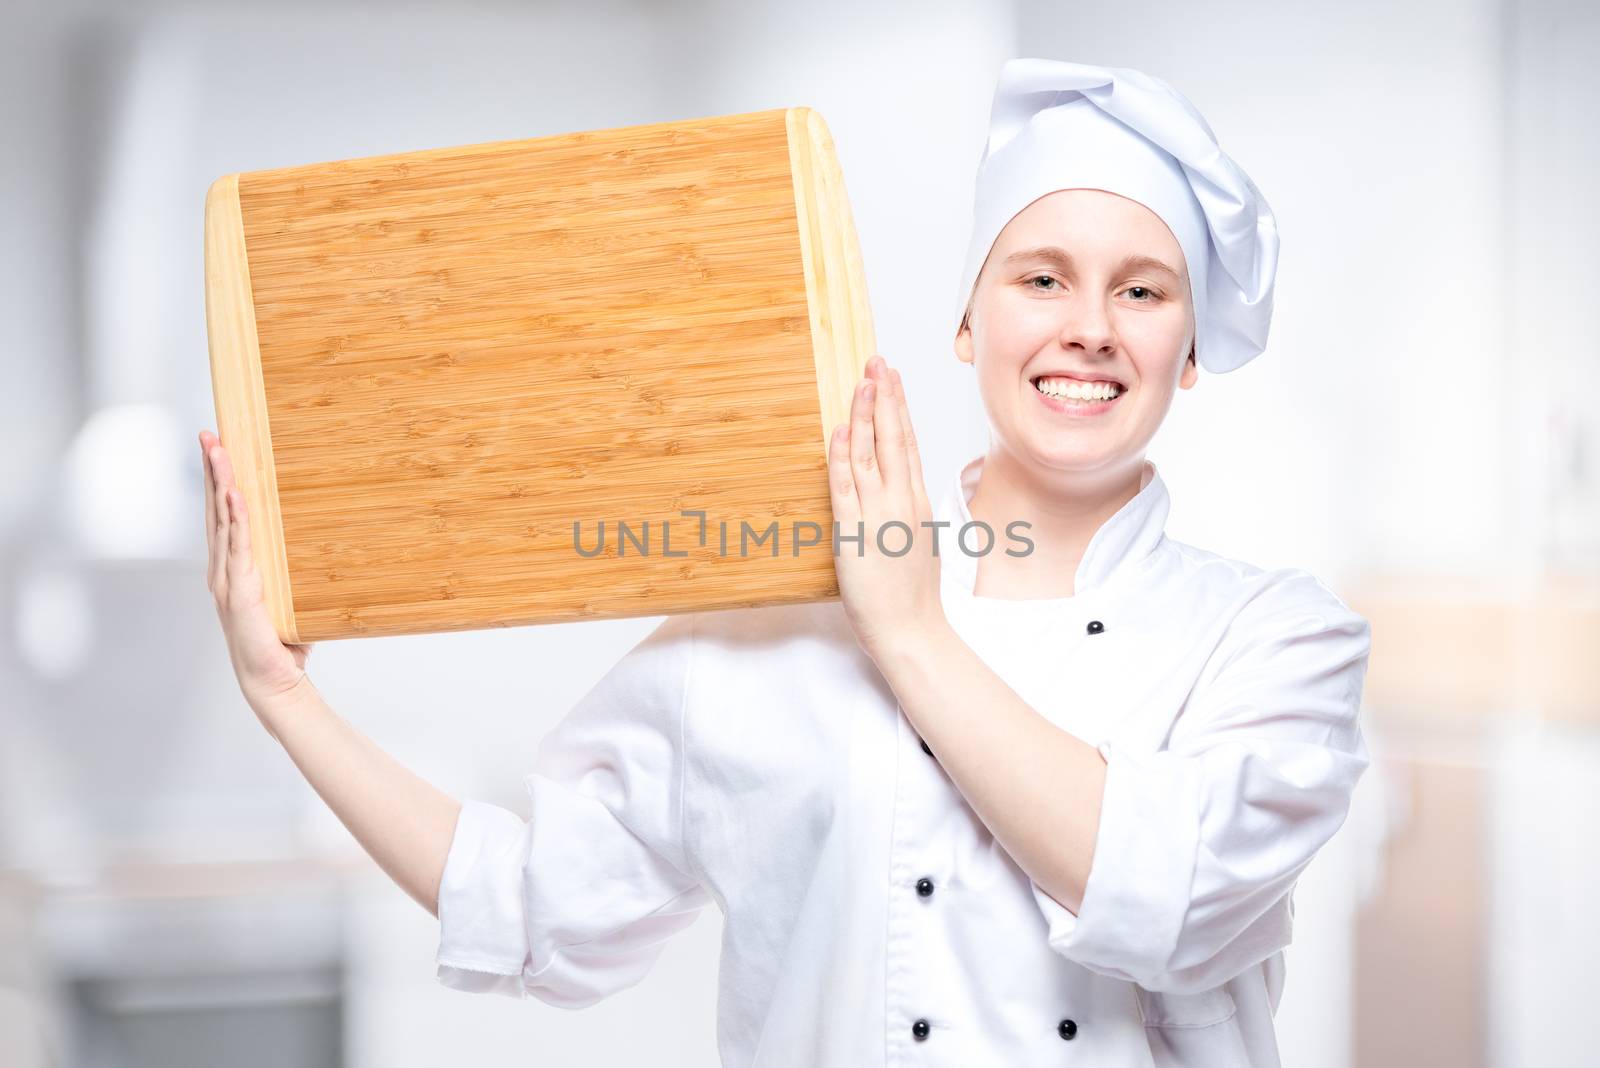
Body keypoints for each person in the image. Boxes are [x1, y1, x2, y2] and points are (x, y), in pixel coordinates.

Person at [201, 59, 1371, 1067]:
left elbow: (1161, 901)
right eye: (1041, 277)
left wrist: (908, 632)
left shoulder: (1272, 643)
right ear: (969, 323)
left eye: (1142, 290)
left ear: (1190, 348)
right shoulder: (775, 619)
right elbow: (528, 908)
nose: (1090, 327)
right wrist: (286, 699)